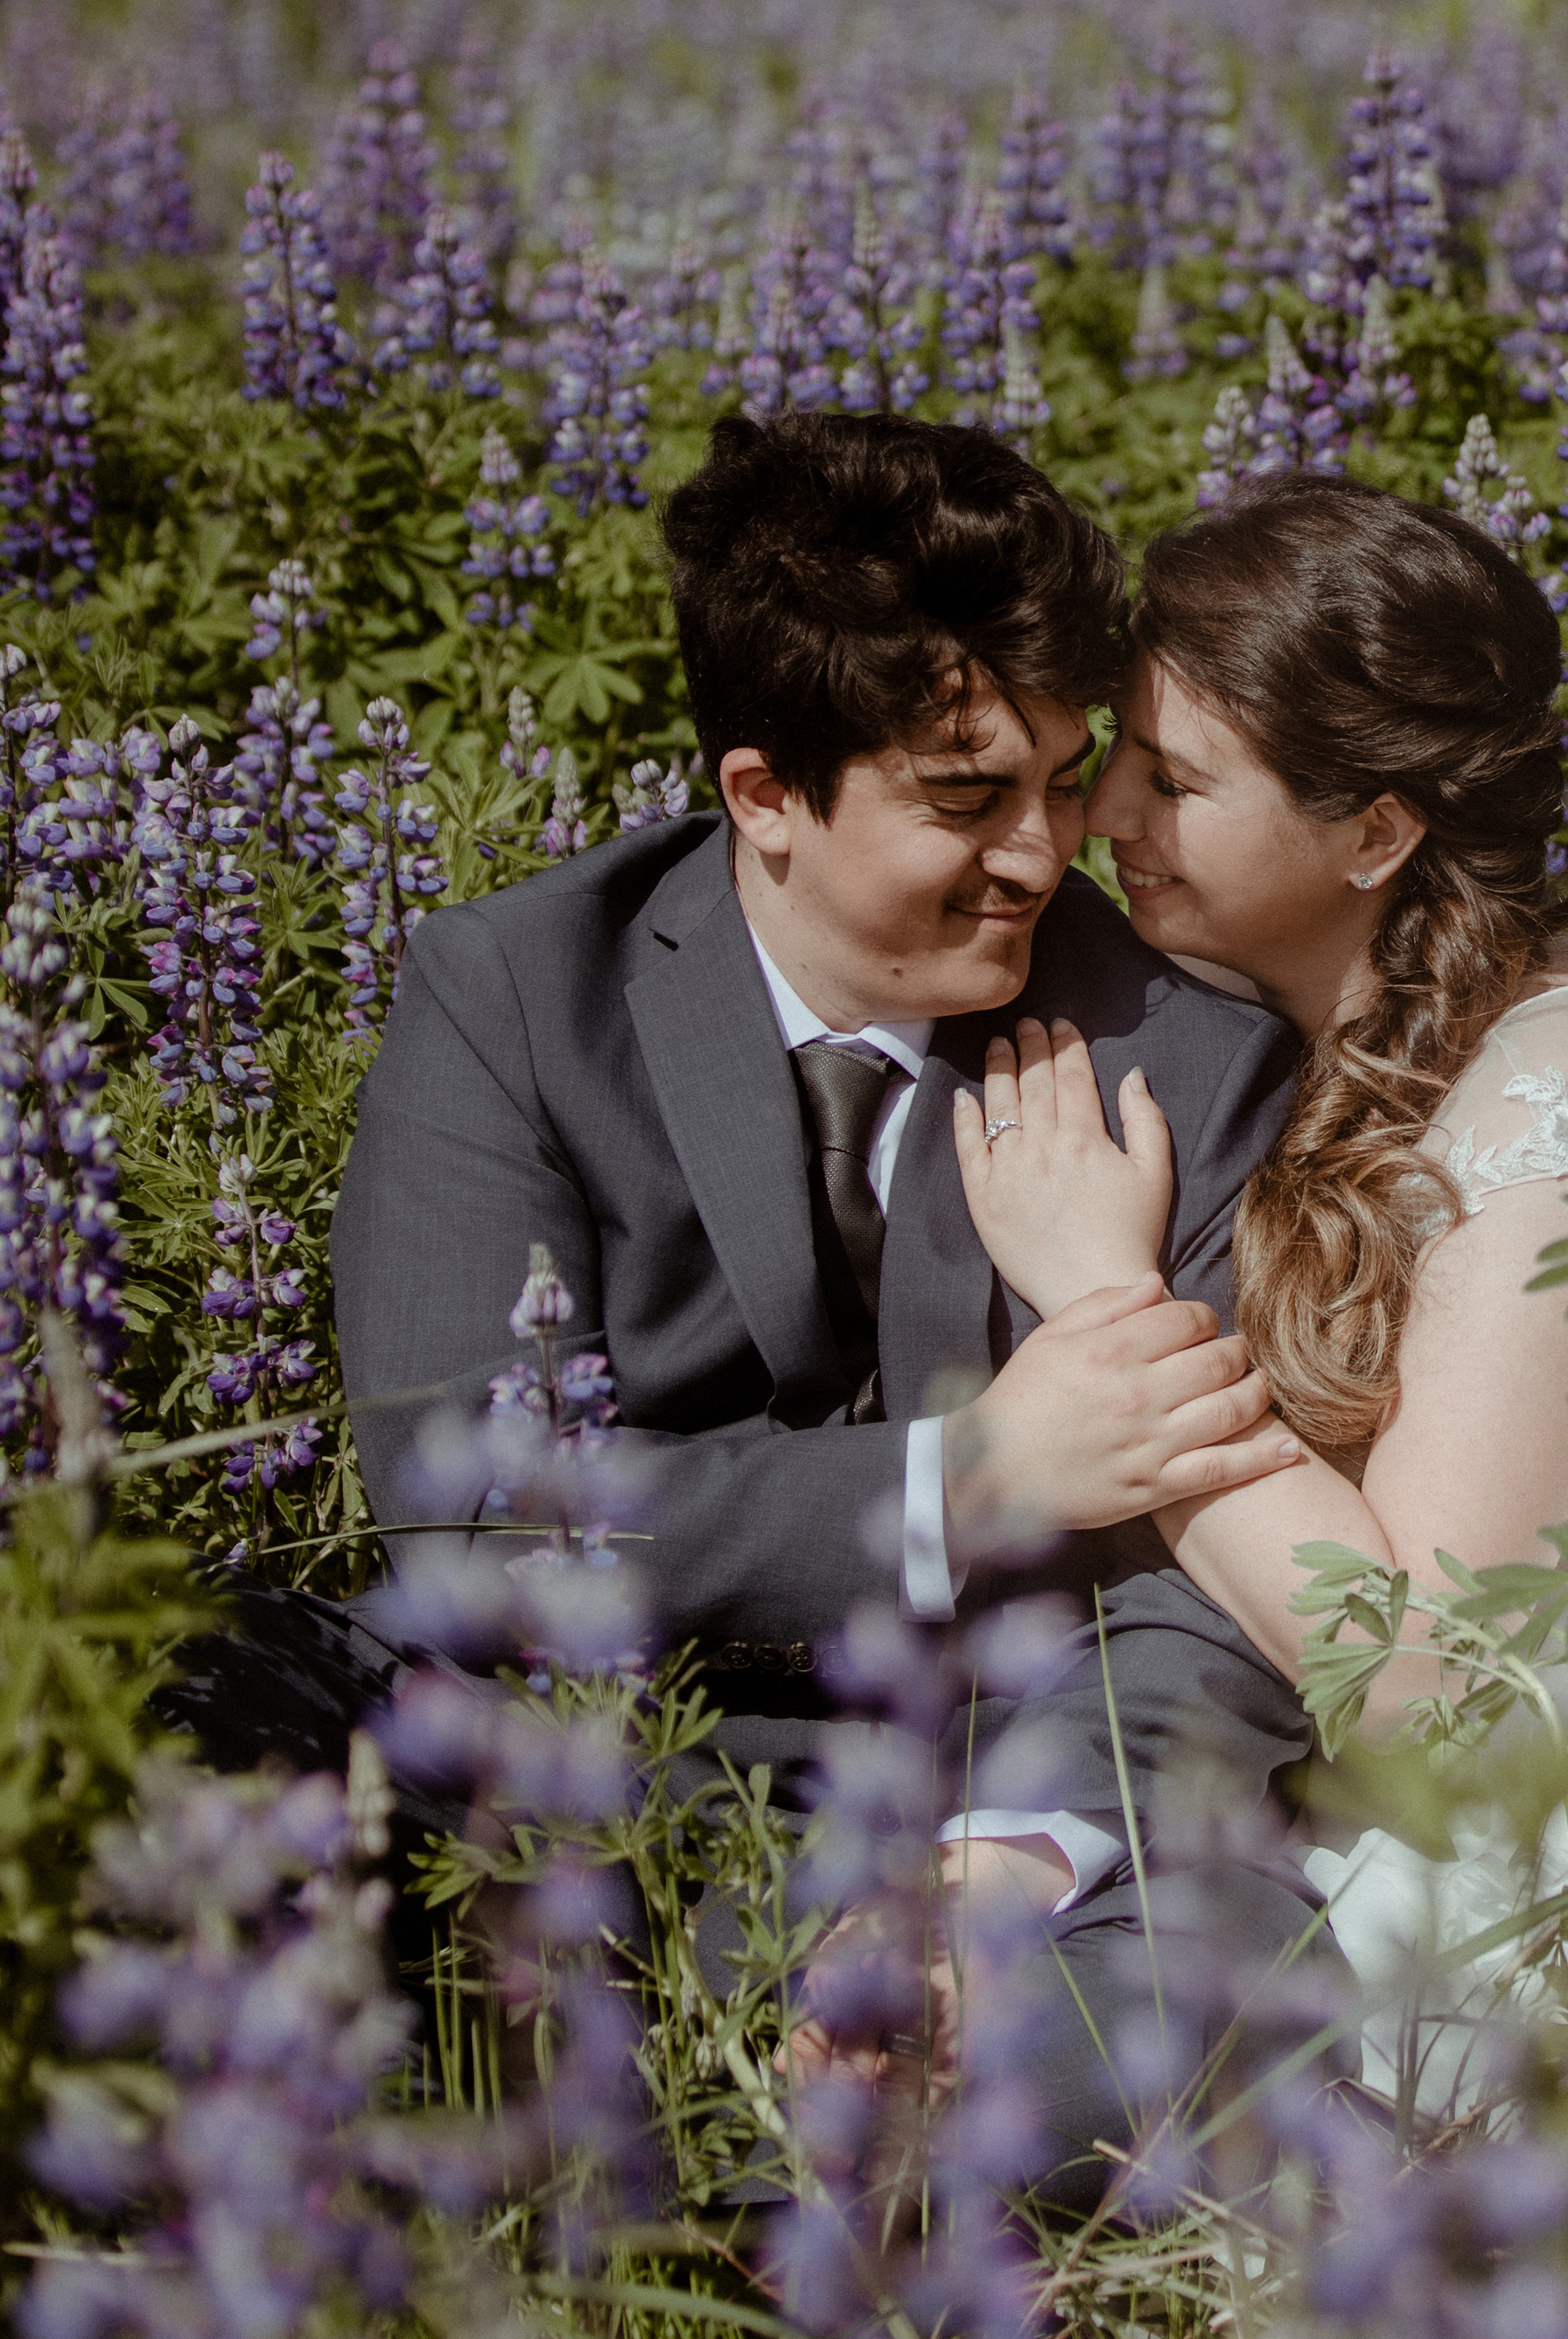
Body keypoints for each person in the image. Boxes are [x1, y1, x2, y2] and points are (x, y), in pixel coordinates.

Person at [332, 410, 1337, 2210]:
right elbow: (465, 1508)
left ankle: (826, 2173)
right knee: (259, 1764)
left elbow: (1203, 1594)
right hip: (612, 1776)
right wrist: (965, 1482)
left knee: (1216, 2000)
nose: (1042, 855)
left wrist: (995, 1871)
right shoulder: (517, 994)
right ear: (763, 799)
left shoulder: (1181, 1050)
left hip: (1008, 1806)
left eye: (1063, 777)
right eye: (964, 798)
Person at [954, 474, 1568, 2114]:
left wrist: (1106, 1301)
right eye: (1120, 755)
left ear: (1377, 833)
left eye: (1174, 781)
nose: (1100, 820)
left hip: (1551, 1808)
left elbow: (1427, 1688)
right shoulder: (1263, 1039)